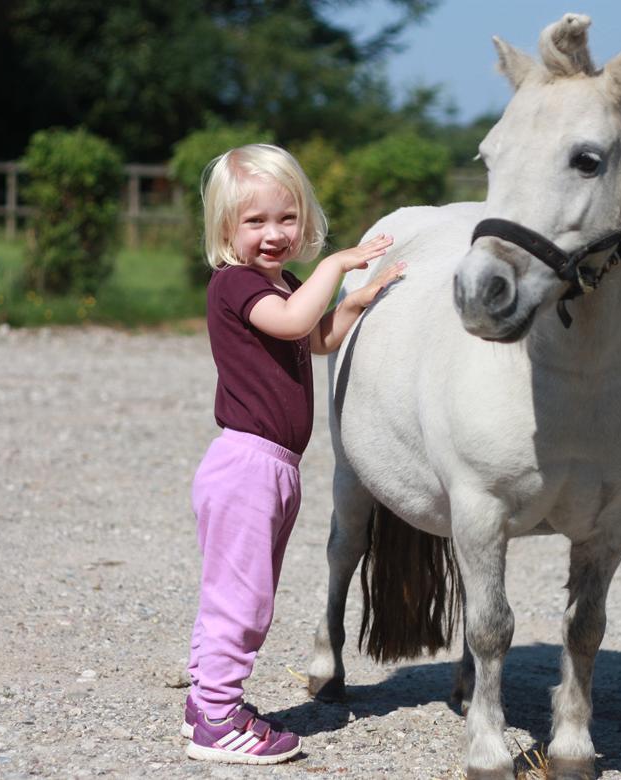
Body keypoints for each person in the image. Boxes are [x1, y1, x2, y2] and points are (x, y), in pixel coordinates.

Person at [178, 143, 403, 765]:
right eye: (255, 222)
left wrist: (353, 304)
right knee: (241, 599)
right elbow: (288, 323)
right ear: (226, 229)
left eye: (286, 218)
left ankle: (208, 699)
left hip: (274, 467)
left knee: (240, 590)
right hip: (246, 465)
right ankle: (218, 721)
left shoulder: (282, 285)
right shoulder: (236, 284)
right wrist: (336, 268)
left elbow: (315, 334)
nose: (274, 234)